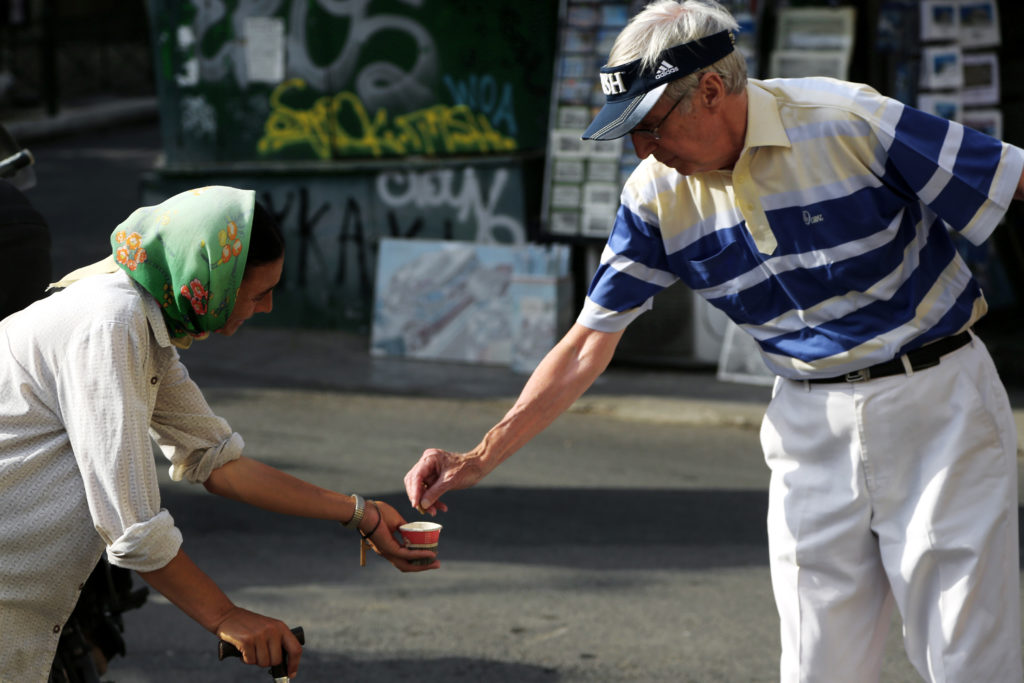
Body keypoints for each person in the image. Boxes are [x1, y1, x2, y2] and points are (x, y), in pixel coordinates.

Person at [404, 1, 1024, 681]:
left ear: (708, 90)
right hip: (806, 417)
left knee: (969, 656)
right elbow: (588, 342)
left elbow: (1009, 177)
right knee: (818, 665)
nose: (643, 149)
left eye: (649, 125)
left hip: (936, 399)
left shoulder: (845, 119)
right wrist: (481, 455)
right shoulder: (655, 195)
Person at [0, 186, 438, 682]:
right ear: (211, 277)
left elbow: (216, 461)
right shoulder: (109, 321)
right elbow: (131, 525)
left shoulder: (144, 327)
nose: (267, 307)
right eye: (258, 293)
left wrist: (361, 513)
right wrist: (226, 617)